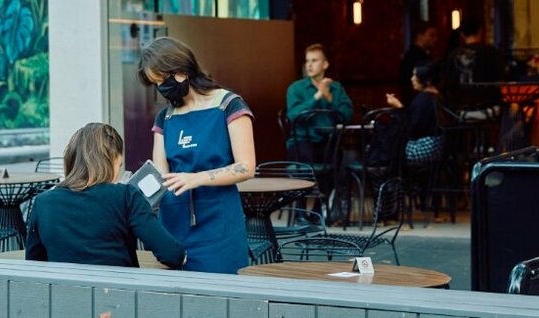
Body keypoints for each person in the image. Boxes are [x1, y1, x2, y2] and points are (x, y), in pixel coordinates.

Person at [137, 37, 256, 274]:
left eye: (163, 80)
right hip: (173, 223)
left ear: (181, 70)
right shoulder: (166, 117)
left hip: (218, 222)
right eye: (155, 83)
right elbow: (161, 175)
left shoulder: (229, 105)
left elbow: (246, 167)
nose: (161, 88)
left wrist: (196, 178)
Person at [25, 122, 186, 268]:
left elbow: (35, 265)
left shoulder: (43, 202)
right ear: (110, 162)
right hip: (118, 297)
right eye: (119, 165)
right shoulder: (126, 196)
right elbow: (172, 254)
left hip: (63, 297)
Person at [285, 44, 354, 163]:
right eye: (307, 61)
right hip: (302, 141)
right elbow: (292, 116)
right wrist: (316, 97)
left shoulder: (336, 88)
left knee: (344, 159)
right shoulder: (296, 88)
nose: (309, 65)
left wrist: (329, 97)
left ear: (325, 65)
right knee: (307, 158)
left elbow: (347, 116)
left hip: (330, 141)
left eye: (314, 60)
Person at [441, 17, 503, 113]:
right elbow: (499, 79)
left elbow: (447, 83)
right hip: (488, 108)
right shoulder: (490, 52)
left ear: (462, 34)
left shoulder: (453, 54)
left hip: (458, 110)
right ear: (480, 31)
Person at [386, 62, 444, 163]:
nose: (412, 79)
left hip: (424, 148)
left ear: (427, 81)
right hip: (439, 147)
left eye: (415, 75)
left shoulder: (423, 99)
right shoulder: (440, 97)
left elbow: (411, 128)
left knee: (391, 147)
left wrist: (399, 107)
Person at [398, 21, 438, 103]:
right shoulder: (417, 57)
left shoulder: (412, 55)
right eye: (431, 35)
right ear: (420, 36)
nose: (435, 39)